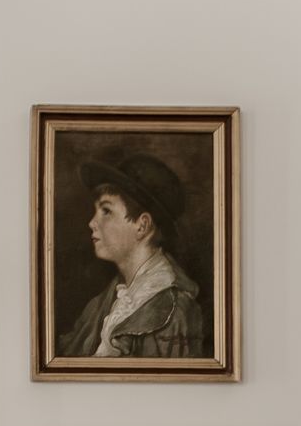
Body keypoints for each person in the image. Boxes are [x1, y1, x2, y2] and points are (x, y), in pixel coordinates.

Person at [58, 152, 205, 360]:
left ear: (142, 226)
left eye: (106, 211)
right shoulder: (101, 305)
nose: (92, 223)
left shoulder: (176, 313)